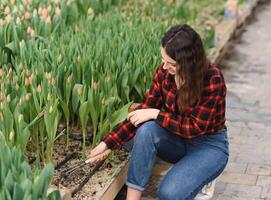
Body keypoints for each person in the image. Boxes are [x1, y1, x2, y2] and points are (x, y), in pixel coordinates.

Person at [88, 24, 229, 200]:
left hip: (207, 145)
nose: (164, 67)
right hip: (177, 140)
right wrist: (106, 144)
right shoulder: (165, 74)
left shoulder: (211, 79)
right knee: (146, 130)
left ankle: (201, 176)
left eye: (171, 64)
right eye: (163, 60)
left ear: (189, 63)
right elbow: (142, 113)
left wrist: (156, 114)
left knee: (168, 194)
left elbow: (195, 128)